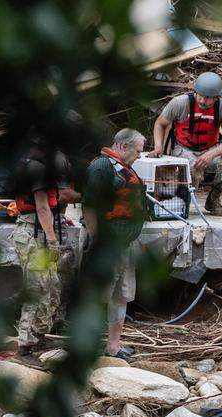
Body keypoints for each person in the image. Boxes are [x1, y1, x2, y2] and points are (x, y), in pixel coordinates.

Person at [82, 128, 150, 360]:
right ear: (123, 147)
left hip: (125, 244)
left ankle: (113, 345)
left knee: (121, 294)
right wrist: (95, 239)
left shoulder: (125, 168)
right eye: (138, 151)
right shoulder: (101, 167)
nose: (139, 156)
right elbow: (90, 205)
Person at [10, 138, 81, 353]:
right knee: (37, 288)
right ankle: (25, 342)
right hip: (33, 235)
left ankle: (38, 336)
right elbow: (41, 207)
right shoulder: (36, 168)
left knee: (52, 288)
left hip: (42, 231)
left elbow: (51, 206)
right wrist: (52, 241)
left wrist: (56, 223)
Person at [150, 72, 222, 216]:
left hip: (210, 148)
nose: (202, 100)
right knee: (193, 168)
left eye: (207, 98)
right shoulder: (180, 103)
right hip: (183, 148)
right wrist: (158, 146)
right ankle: (184, 201)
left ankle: (213, 199)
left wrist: (211, 154)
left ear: (217, 98)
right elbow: (160, 124)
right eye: (200, 95)